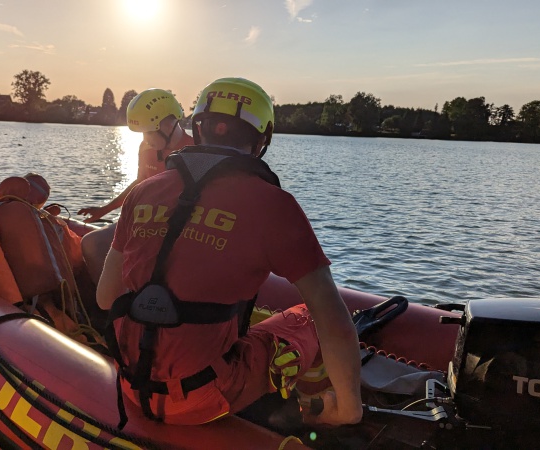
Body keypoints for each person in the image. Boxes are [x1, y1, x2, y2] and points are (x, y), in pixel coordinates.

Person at [96, 77, 362, 427]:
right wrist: (350, 410)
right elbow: (333, 318)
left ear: (198, 129)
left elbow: (105, 298)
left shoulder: (142, 192)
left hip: (132, 382)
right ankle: (319, 408)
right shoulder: (274, 205)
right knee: (310, 318)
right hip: (206, 394)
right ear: (262, 140)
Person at [79, 88, 194, 282]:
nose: (145, 139)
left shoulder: (194, 151)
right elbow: (140, 183)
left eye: (148, 132)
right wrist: (103, 210)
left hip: (176, 228)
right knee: (91, 243)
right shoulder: (146, 147)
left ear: (169, 124)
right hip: (143, 221)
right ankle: (112, 306)